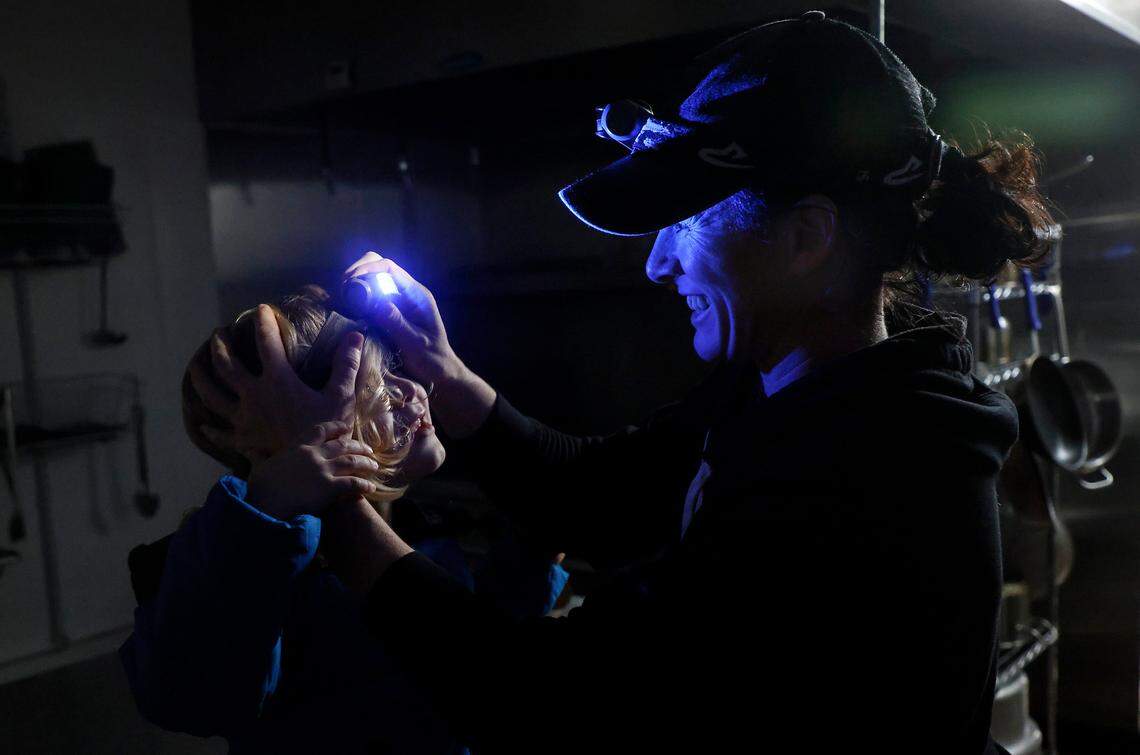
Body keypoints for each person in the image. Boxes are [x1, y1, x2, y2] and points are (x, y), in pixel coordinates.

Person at [195, 12, 1056, 753]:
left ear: (807, 238)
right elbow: (604, 496)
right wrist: (446, 374)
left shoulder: (865, 475)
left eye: (688, 220)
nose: (657, 261)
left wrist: (327, 493)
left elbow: (548, 707)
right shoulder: (791, 394)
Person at [120, 286, 567, 754]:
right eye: (373, 383)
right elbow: (188, 699)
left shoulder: (416, 524)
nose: (413, 391)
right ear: (287, 427)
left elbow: (465, 657)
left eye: (398, 365)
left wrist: (529, 562)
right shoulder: (230, 563)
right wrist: (268, 509)